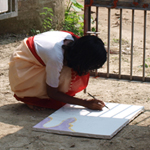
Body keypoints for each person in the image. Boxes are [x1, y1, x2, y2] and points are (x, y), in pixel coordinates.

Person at [9, 30, 107, 110]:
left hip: (41, 58)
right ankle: (34, 98)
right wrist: (84, 103)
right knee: (66, 75)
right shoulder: (55, 58)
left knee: (71, 71)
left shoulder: (74, 43)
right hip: (24, 68)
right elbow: (52, 93)